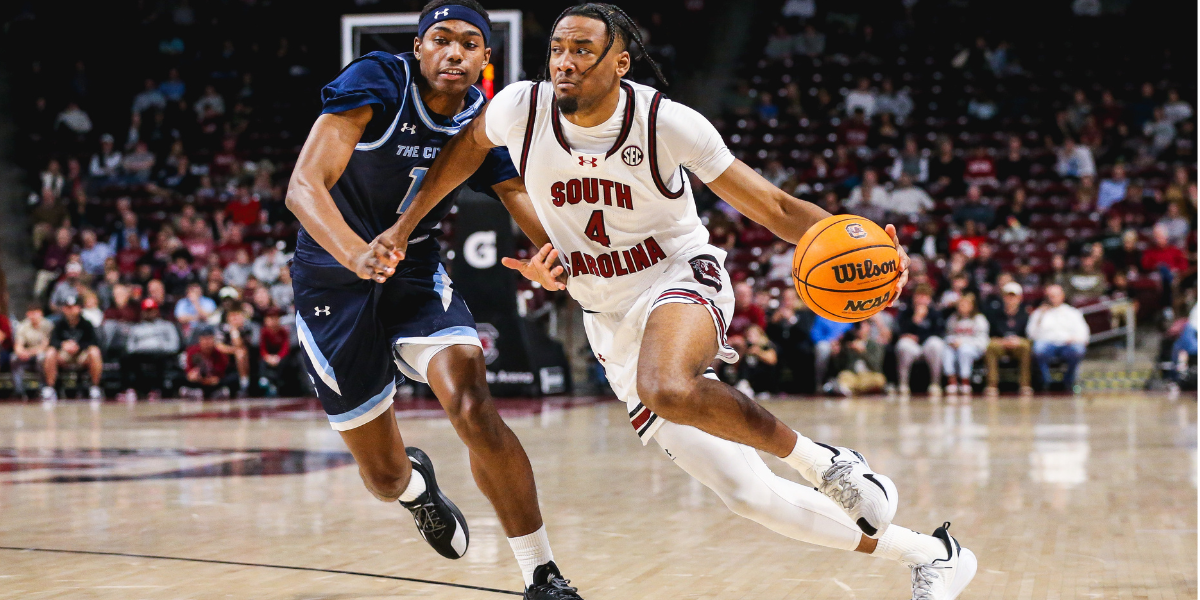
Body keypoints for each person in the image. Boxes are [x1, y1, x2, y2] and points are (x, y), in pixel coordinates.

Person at [384, 5, 975, 599]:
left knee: (664, 384)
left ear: (620, 62)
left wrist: (861, 245)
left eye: (583, 50)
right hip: (606, 317)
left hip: (679, 276)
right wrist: (414, 227)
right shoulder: (518, 107)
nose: (565, 61)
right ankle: (933, 554)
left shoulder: (667, 123)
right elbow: (462, 152)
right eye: (559, 48)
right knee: (750, 497)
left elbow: (774, 207)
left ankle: (827, 462)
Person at [282, 2, 579, 596]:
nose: (455, 53)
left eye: (470, 44)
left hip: (414, 273)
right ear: (417, 48)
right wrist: (354, 254)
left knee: (472, 403)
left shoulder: (483, 119)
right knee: (384, 477)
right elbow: (302, 186)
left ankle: (541, 572)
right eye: (441, 40)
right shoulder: (377, 80)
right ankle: (417, 488)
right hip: (332, 281)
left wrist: (553, 255)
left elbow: (518, 193)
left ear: (486, 60)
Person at [1027, 284, 1090, 392]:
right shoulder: (1039, 313)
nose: (1053, 298)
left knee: (1078, 349)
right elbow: (1031, 334)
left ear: (1062, 296)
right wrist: (1041, 317)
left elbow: (1084, 334)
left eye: (1056, 295)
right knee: (1038, 349)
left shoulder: (1072, 312)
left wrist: (1074, 339)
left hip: (1067, 344)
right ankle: (1046, 382)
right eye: (1050, 296)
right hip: (1047, 343)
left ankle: (1068, 381)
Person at [43, 295, 104, 401]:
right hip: (64, 355)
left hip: (81, 355)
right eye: (67, 307)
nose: (70, 310)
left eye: (73, 307)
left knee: (95, 351)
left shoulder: (86, 324)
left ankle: (95, 387)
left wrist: (79, 346)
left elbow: (94, 341)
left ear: (79, 308)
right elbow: (53, 341)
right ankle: (50, 387)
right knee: (50, 352)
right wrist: (64, 344)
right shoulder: (59, 324)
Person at [122, 298, 181, 397]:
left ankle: (158, 388)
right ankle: (133, 389)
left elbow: (174, 345)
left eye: (151, 310)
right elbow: (130, 347)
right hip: (141, 353)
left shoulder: (167, 326)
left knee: (161, 359)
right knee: (125, 358)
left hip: (160, 353)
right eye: (146, 311)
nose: (149, 313)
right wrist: (140, 349)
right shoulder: (136, 328)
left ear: (156, 311)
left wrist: (160, 347)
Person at [896, 284, 946, 398]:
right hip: (912, 347)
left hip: (928, 345)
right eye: (919, 296)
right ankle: (903, 384)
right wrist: (915, 319)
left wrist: (920, 337)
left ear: (929, 299)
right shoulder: (906, 311)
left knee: (936, 344)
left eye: (925, 297)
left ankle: (935, 383)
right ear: (914, 297)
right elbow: (900, 332)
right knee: (903, 345)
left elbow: (939, 333)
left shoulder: (935, 313)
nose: (922, 299)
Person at [984, 282, 1033, 397]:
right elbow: (990, 335)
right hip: (1000, 343)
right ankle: (992, 384)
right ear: (1003, 297)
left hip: (1019, 344)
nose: (1010, 299)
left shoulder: (1026, 314)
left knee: (1026, 346)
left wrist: (1017, 340)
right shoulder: (994, 314)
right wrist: (1002, 341)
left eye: (1013, 296)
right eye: (1007, 296)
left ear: (1019, 298)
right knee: (990, 346)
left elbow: (1030, 335)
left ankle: (1025, 384)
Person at [941, 293, 989, 398]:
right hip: (955, 347)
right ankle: (951, 380)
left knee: (964, 350)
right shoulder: (953, 319)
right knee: (946, 350)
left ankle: (965, 381)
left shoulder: (979, 319)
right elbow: (948, 335)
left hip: (974, 348)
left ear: (971, 306)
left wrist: (963, 342)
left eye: (965, 304)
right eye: (960, 304)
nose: (961, 307)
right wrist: (952, 341)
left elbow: (983, 341)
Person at [830, 319, 886, 396]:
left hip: (869, 375)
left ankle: (855, 390)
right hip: (853, 376)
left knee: (879, 378)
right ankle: (861, 390)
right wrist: (838, 352)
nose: (860, 328)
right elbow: (841, 367)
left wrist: (863, 352)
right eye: (858, 326)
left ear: (869, 327)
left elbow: (876, 366)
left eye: (862, 325)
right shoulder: (848, 343)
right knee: (843, 376)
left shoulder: (875, 345)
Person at [12, 307, 54, 397]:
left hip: (40, 353)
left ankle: (44, 387)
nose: (33, 316)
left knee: (42, 357)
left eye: (35, 313)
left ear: (41, 313)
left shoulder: (47, 325)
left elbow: (45, 346)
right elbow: (18, 345)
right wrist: (20, 352)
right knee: (13, 358)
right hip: (26, 354)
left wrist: (29, 352)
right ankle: (18, 390)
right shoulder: (23, 326)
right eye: (30, 313)